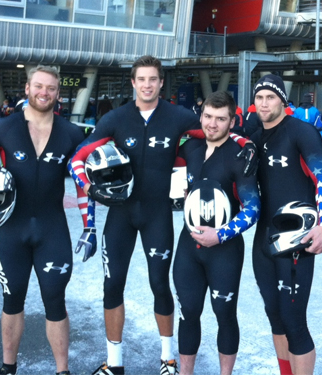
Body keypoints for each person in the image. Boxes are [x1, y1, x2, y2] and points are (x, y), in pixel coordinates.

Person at [69, 55, 257, 375]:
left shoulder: (177, 116)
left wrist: (244, 143)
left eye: (153, 79)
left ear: (160, 83)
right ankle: (114, 363)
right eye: (141, 79)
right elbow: (78, 158)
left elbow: (214, 130)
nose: (147, 85)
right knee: (112, 285)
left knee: (160, 284)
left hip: (157, 214)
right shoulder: (115, 118)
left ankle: (168, 359)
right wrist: (90, 191)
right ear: (133, 82)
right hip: (120, 214)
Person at [0, 65, 86, 375]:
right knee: (12, 301)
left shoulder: (71, 133)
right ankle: (8, 368)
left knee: (55, 302)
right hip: (13, 231)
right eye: (38, 86)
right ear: (27, 88)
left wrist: (89, 225)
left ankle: (62, 371)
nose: (44, 92)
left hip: (53, 231)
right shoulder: (3, 128)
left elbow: (84, 183)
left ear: (58, 93)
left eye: (51, 88)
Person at [250, 74, 322, 375]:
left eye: (270, 97)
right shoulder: (253, 135)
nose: (264, 103)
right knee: (275, 316)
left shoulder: (302, 132)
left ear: (283, 101)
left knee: (294, 321)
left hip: (297, 238)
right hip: (263, 239)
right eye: (259, 97)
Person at [173, 91, 261, 375]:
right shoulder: (190, 148)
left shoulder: (240, 156)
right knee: (187, 314)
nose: (212, 124)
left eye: (220, 119)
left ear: (232, 121)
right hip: (188, 247)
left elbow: (252, 208)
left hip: (224, 250)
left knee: (224, 315)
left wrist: (220, 235)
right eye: (208, 117)